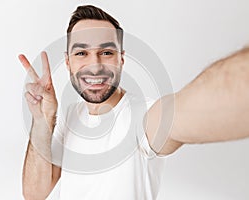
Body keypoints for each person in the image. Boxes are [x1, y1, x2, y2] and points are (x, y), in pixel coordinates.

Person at [18, 5, 249, 200]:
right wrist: (41, 119)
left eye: (106, 52)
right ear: (68, 63)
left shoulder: (144, 115)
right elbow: (34, 193)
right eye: (81, 53)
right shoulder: (69, 117)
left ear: (121, 59)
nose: (95, 65)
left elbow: (187, 111)